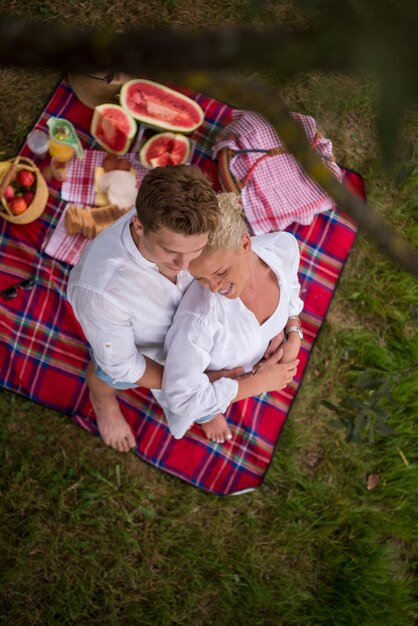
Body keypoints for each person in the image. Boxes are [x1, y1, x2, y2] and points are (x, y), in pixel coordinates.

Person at [67, 165, 222, 453]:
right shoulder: (101, 293)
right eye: (170, 252)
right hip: (139, 350)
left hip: (190, 330)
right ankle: (102, 401)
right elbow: (123, 365)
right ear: (139, 226)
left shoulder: (187, 226)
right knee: (107, 373)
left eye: (195, 251)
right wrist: (188, 385)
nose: (185, 266)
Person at [161, 192, 303, 443]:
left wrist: (293, 329)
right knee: (204, 405)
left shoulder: (282, 247)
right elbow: (181, 398)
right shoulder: (199, 321)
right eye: (200, 277)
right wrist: (254, 385)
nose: (213, 287)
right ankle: (209, 413)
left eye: (220, 272)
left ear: (246, 244)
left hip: (252, 365)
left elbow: (291, 285)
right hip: (211, 377)